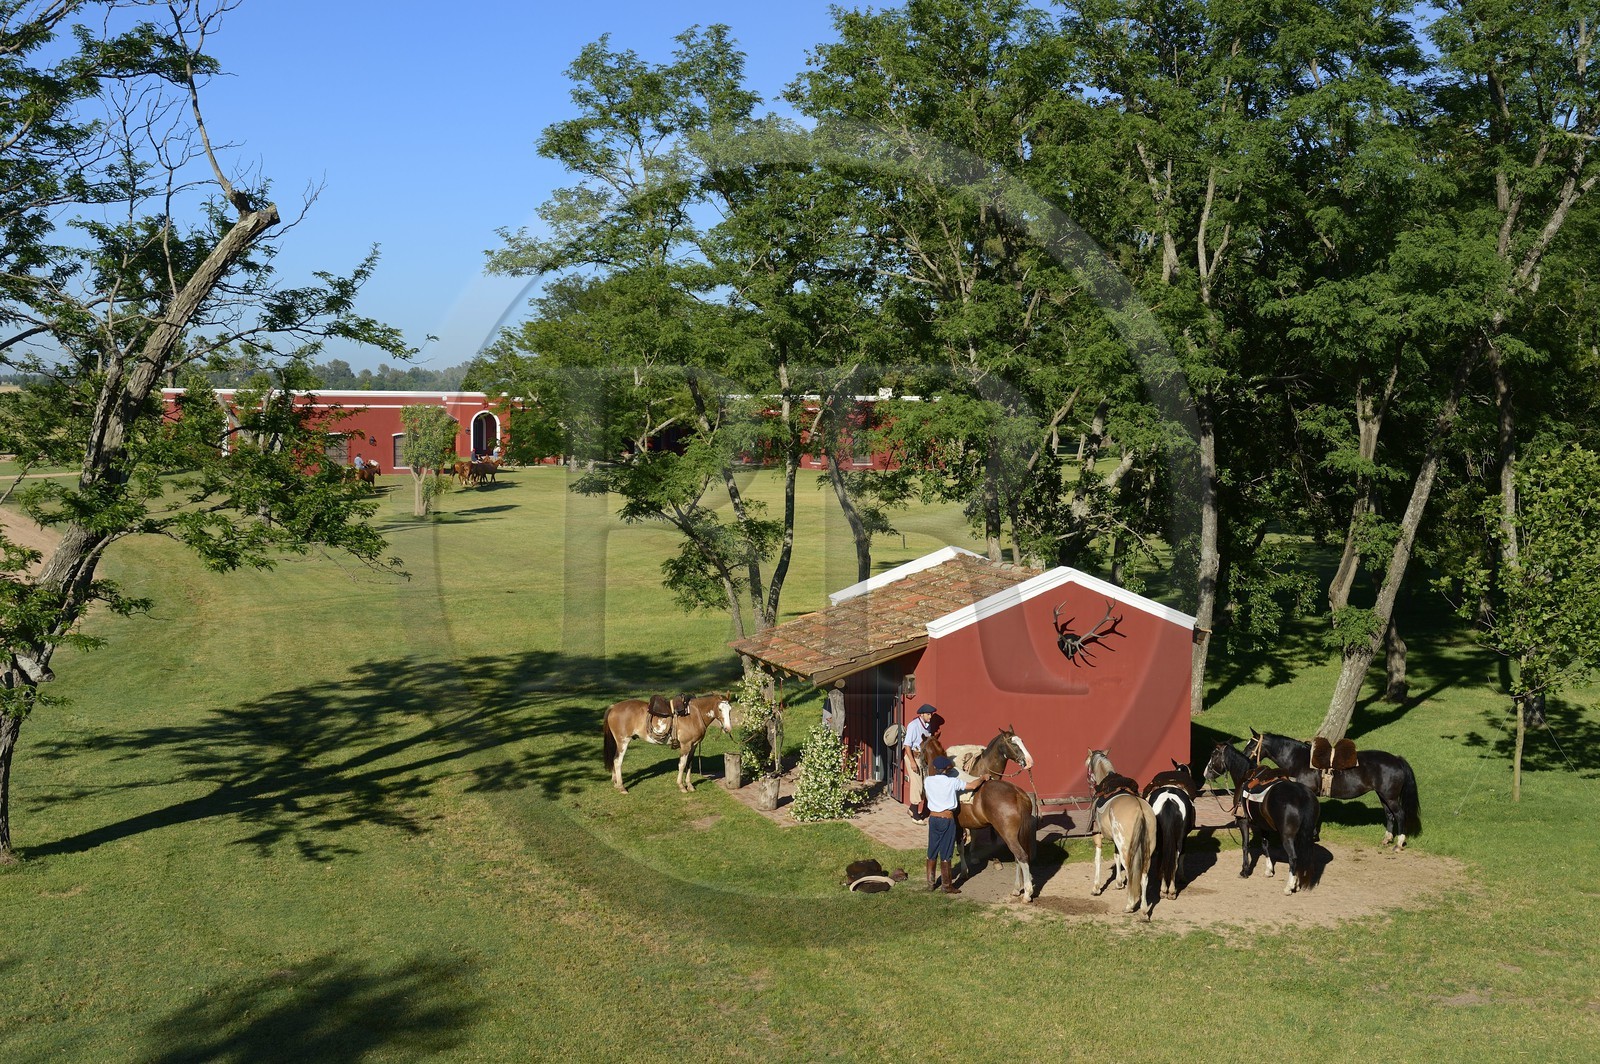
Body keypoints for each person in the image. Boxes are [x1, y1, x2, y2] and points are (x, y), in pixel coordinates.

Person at [923, 754, 979, 894]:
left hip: (933, 818)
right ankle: (946, 885)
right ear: (947, 769)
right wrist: (983, 778)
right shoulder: (952, 782)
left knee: (932, 850)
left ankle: (930, 883)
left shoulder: (927, 781)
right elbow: (972, 785)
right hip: (947, 819)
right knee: (946, 851)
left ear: (935, 768)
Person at [902, 702, 938, 821]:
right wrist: (912, 762)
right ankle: (915, 816)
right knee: (917, 784)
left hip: (922, 758)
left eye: (931, 714)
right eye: (928, 714)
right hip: (912, 756)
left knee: (923, 784)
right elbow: (907, 745)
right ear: (922, 714)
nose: (930, 716)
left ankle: (912, 809)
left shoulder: (928, 726)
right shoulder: (913, 725)